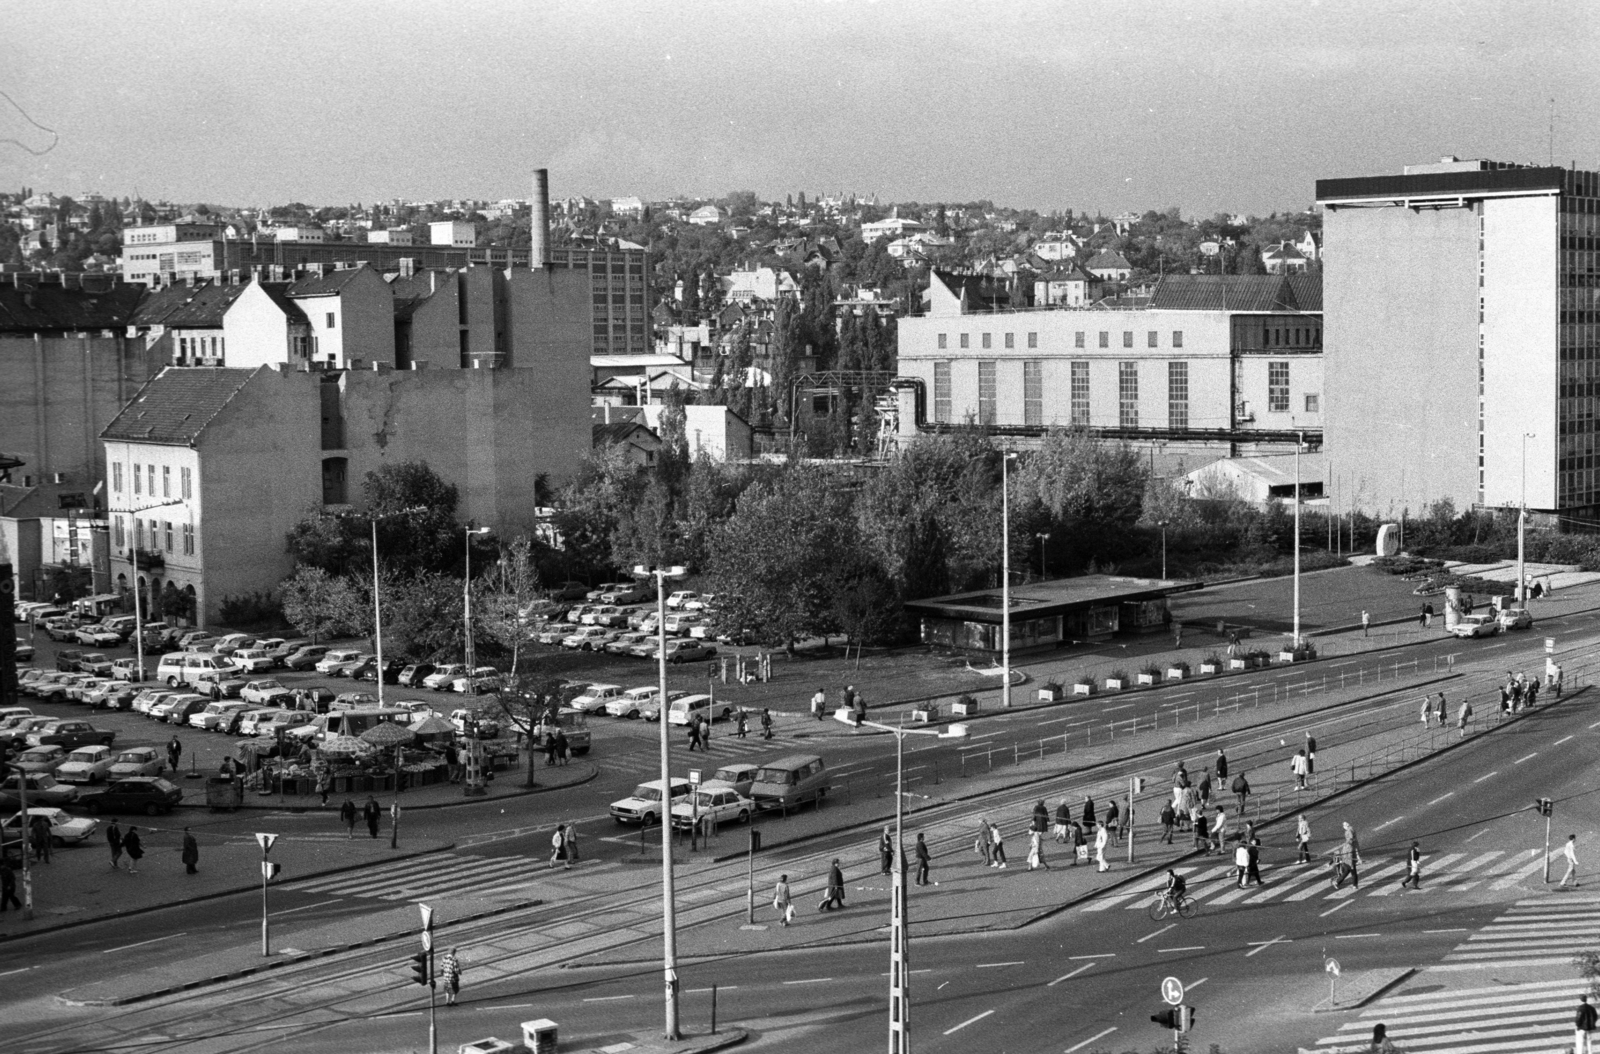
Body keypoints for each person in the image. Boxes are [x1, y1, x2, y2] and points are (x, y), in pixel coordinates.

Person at [1341, 821, 1362, 889]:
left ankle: (1339, 881)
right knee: (1352, 871)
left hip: (1349, 858)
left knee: (1350, 870)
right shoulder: (1351, 829)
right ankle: (1354, 885)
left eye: (1344, 825)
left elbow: (1350, 838)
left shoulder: (1349, 844)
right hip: (1350, 856)